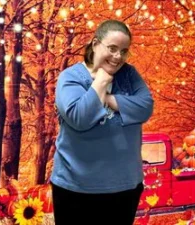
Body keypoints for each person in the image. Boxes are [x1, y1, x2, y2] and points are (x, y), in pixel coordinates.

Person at [50, 19, 154, 225]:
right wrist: (101, 81)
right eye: (112, 48)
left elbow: (145, 107)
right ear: (95, 43)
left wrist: (107, 100)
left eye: (124, 51)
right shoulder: (70, 78)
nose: (118, 57)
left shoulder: (129, 74)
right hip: (76, 188)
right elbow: (80, 118)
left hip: (125, 187)